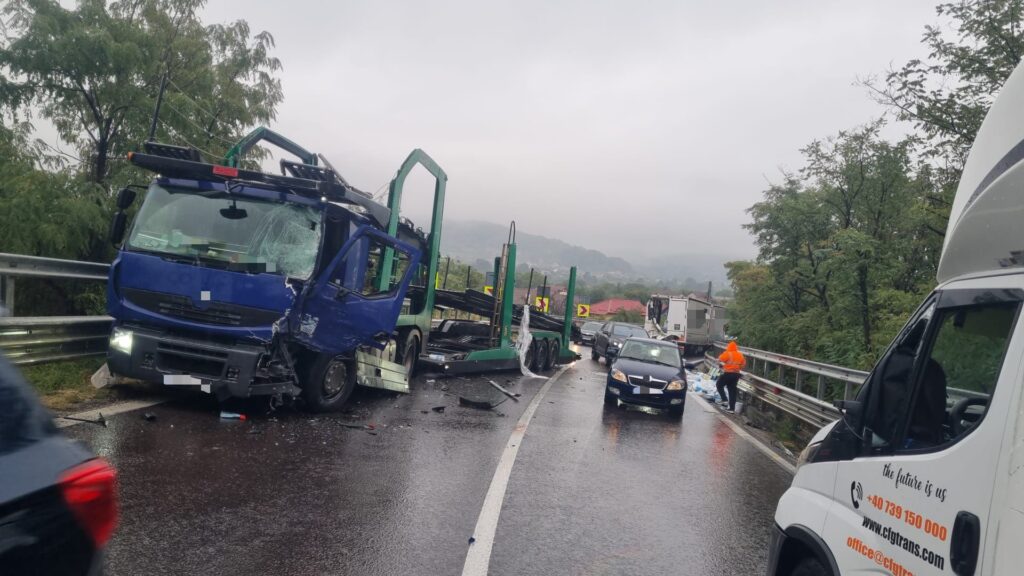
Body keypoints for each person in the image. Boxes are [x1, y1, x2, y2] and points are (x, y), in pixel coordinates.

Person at [716, 341, 746, 413]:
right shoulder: (740, 354)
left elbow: (719, 360)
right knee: (732, 391)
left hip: (727, 373)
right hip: (736, 374)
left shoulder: (727, 353)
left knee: (719, 385)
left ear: (729, 347)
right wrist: (737, 368)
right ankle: (732, 409)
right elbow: (743, 364)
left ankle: (724, 400)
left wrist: (721, 365)